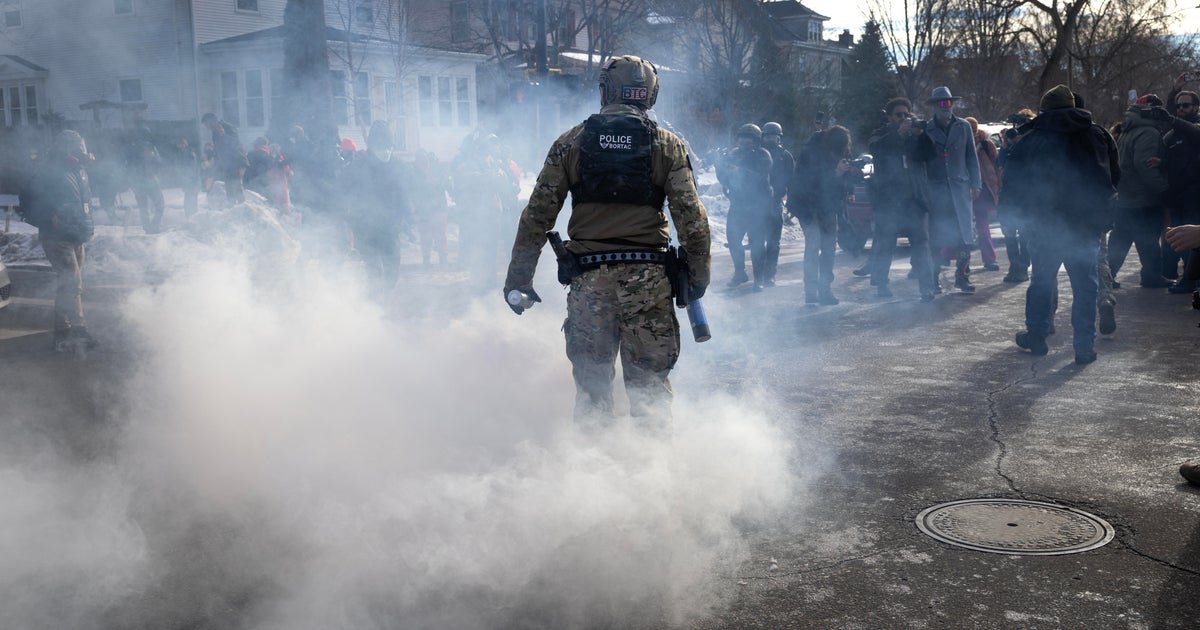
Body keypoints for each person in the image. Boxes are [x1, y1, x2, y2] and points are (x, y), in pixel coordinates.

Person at [502, 54, 711, 427]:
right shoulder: (668, 145)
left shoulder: (571, 144)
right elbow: (693, 223)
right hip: (649, 287)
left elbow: (537, 216)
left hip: (589, 285)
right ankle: (654, 477)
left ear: (604, 92)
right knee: (650, 395)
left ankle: (594, 477)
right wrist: (697, 278)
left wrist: (519, 280)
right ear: (650, 95)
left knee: (592, 393)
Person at [1003, 84, 1116, 364]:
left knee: (1042, 281)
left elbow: (1014, 184)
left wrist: (1011, 216)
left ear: (1045, 109)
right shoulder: (1098, 134)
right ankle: (1084, 347)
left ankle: (1037, 335)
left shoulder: (1031, 139)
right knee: (1086, 286)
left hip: (1045, 225)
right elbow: (1114, 175)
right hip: (1086, 225)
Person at [27, 130, 98, 350]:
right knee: (71, 282)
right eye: (76, 145)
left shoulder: (79, 169)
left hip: (77, 234)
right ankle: (77, 330)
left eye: (81, 145)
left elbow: (84, 200)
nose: (81, 149)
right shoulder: (50, 169)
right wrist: (49, 217)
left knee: (70, 285)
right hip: (57, 236)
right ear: (66, 146)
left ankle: (64, 330)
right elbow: (30, 199)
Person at [866, 97, 937, 301]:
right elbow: (876, 150)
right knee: (885, 242)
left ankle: (927, 287)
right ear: (889, 117)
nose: (903, 118)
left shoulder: (915, 134)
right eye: (898, 115)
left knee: (922, 242)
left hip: (915, 198)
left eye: (906, 114)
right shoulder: (881, 134)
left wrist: (920, 134)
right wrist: (898, 134)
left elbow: (931, 154)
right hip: (889, 200)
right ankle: (881, 283)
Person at [1108, 94, 1171, 290]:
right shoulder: (1148, 132)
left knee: (1120, 240)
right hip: (1144, 198)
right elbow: (1145, 165)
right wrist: (1162, 188)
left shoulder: (1128, 130)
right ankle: (1152, 277)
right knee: (1148, 240)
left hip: (1126, 197)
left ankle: (1106, 276)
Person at [923, 87, 982, 293]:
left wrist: (976, 184)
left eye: (948, 103)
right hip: (937, 191)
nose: (945, 107)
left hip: (960, 189)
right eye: (940, 103)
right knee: (937, 236)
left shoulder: (963, 126)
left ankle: (963, 277)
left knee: (965, 238)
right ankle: (933, 278)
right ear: (934, 106)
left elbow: (971, 158)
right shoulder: (927, 129)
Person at [342, 121, 411, 296]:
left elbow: (404, 196)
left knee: (392, 269)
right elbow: (346, 196)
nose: (386, 151)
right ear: (372, 147)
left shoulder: (398, 167)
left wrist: (406, 218)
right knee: (374, 270)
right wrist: (352, 219)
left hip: (390, 229)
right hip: (366, 229)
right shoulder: (357, 168)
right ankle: (373, 305)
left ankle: (383, 297)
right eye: (382, 147)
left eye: (389, 147)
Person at [791, 124, 857, 305]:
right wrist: (834, 173)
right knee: (813, 245)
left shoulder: (842, 151)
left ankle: (825, 290)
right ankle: (810, 292)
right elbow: (808, 182)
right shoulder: (811, 151)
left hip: (828, 206)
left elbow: (841, 185)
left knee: (829, 248)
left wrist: (849, 174)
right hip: (806, 205)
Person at [716, 123, 773, 290]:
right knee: (733, 240)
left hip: (757, 207)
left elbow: (761, 175)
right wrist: (720, 165)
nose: (744, 144)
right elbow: (724, 177)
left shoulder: (763, 155)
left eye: (748, 141)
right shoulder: (733, 154)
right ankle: (740, 272)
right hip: (738, 206)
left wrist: (739, 171)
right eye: (742, 140)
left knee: (757, 244)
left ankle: (759, 279)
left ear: (756, 142)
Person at [1161, 89, 1200, 294]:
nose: (1182, 109)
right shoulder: (1172, 134)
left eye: (1186, 105)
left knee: (1193, 241)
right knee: (1178, 239)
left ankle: (1191, 281)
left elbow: (1195, 132)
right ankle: (1188, 280)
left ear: (1196, 107)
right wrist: (1161, 162)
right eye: (1179, 106)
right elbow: (1170, 158)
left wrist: (1172, 119)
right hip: (1176, 195)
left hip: (1194, 194)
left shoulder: (1193, 128)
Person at [760, 121, 794, 287]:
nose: (770, 138)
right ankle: (758, 274)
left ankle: (770, 275)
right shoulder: (757, 153)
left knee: (773, 242)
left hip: (775, 203)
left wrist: (792, 203)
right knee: (758, 241)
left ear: (779, 137)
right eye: (767, 135)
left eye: (773, 135)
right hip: (757, 204)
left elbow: (792, 179)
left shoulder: (785, 155)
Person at [965, 117, 1000, 272]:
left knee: (982, 226)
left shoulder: (986, 144)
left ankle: (989, 259)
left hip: (982, 189)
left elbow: (997, 166)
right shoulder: (962, 144)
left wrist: (997, 185)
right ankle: (964, 261)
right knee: (967, 227)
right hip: (967, 189)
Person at [201, 112, 247, 207]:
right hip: (227, 164)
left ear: (212, 121)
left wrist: (223, 135)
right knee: (233, 187)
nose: (207, 127)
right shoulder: (215, 132)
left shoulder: (227, 127)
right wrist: (214, 161)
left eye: (206, 124)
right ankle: (238, 208)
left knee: (233, 186)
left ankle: (237, 208)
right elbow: (219, 149)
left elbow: (235, 144)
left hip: (235, 162)